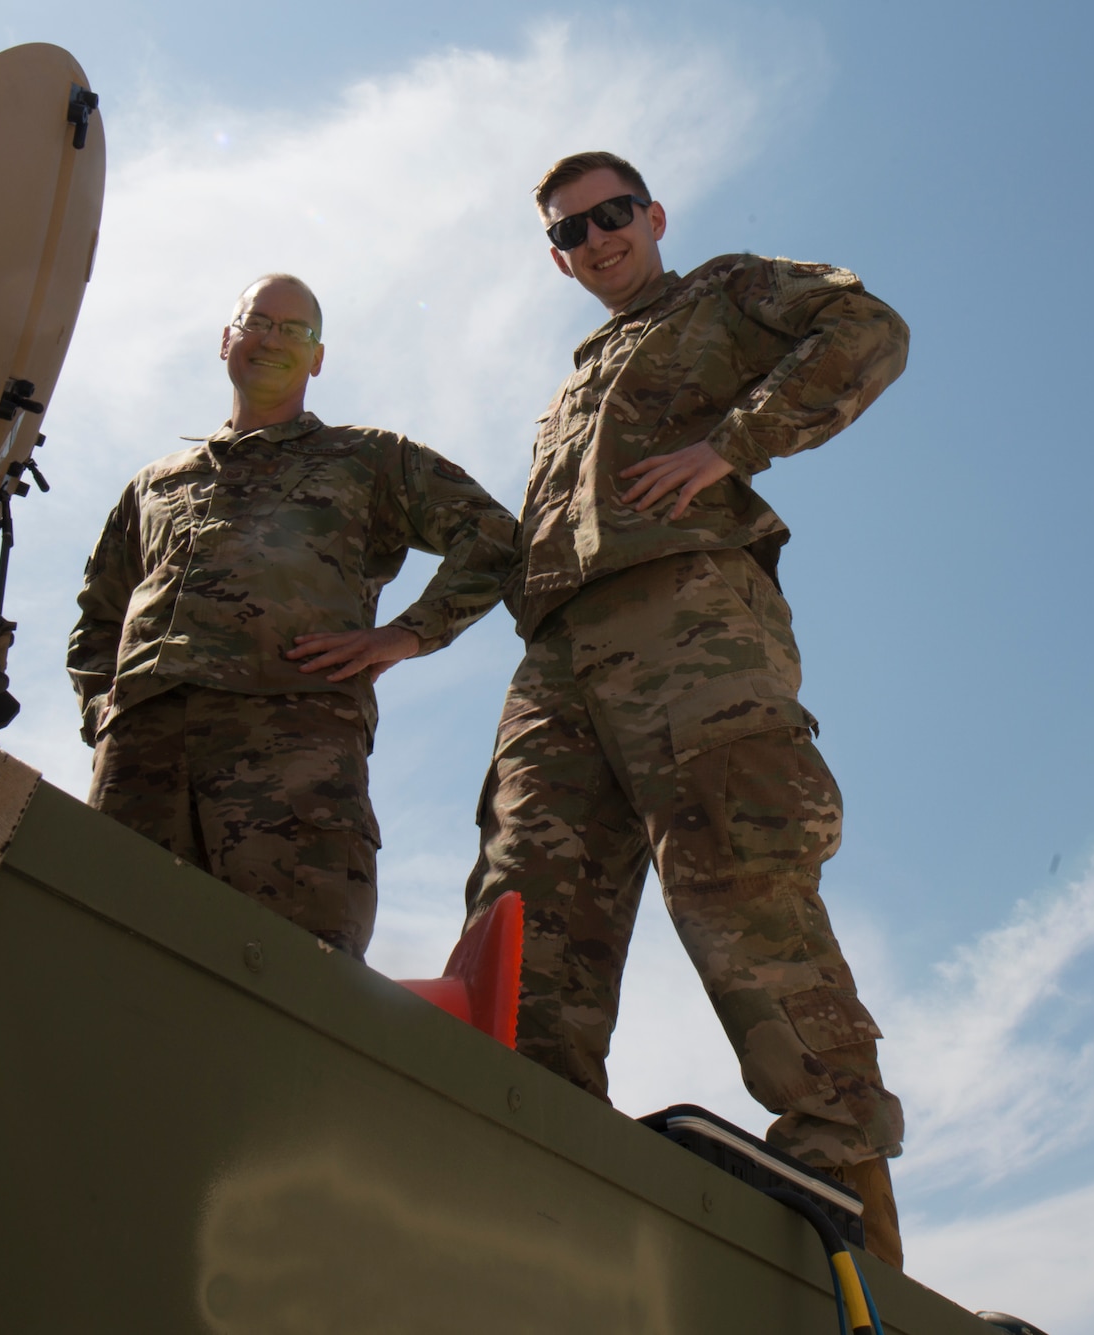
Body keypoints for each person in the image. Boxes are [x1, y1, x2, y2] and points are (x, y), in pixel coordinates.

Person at [461, 152, 911, 1266]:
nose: (595, 239)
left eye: (610, 216)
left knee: (734, 864)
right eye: (569, 232)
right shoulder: (575, 380)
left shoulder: (722, 293)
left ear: (651, 216)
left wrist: (733, 444)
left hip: (687, 619)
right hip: (559, 650)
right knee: (526, 895)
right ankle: (520, 1136)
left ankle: (842, 1173)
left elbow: (867, 331)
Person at [69, 274, 518, 961]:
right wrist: (104, 712)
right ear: (228, 340)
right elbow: (100, 611)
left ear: (318, 357)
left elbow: (492, 535)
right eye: (258, 323)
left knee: (291, 972)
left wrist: (406, 633)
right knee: (102, 963)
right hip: (140, 765)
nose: (272, 340)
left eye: (294, 330)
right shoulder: (156, 483)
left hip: (293, 753)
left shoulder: (369, 459)